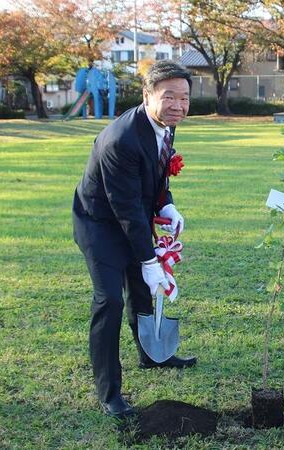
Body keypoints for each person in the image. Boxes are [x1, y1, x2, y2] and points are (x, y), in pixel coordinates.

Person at [72, 61, 196, 418]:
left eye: (184, 97)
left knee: (142, 291)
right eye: (168, 96)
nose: (178, 105)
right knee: (110, 300)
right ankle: (109, 391)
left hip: (132, 215)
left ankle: (153, 355)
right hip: (100, 224)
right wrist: (148, 261)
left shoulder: (165, 126)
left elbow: (156, 174)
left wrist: (167, 205)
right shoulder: (121, 139)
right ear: (147, 95)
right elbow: (124, 208)